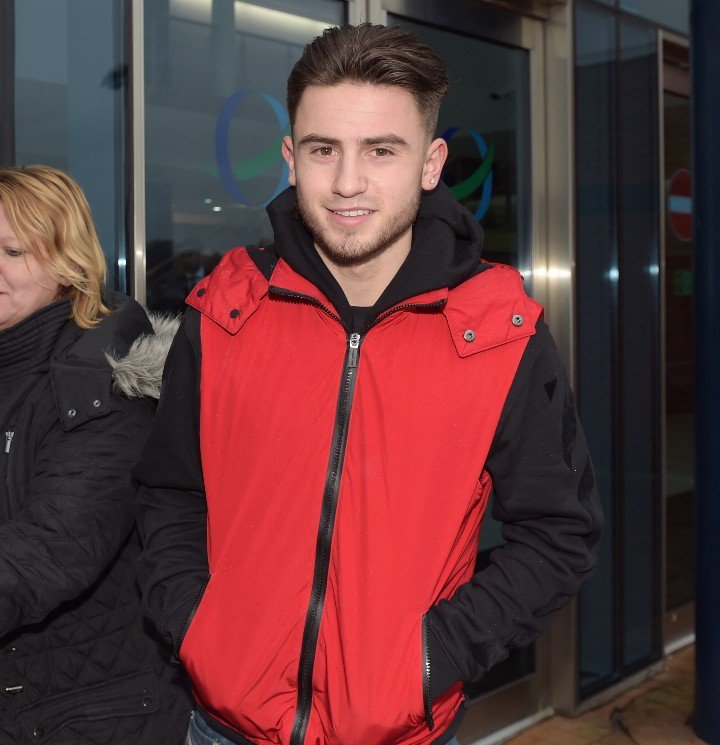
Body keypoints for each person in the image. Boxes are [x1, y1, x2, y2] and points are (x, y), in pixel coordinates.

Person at [135, 23, 603, 745]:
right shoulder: (226, 310)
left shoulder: (498, 330)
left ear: (430, 161)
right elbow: (169, 492)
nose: (347, 182)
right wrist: (199, 626)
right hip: (221, 726)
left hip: (401, 731)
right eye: (325, 150)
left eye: (381, 150)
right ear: (292, 159)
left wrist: (429, 657)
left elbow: (559, 532)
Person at [0, 165, 191, 744]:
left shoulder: (102, 387)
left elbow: (51, 551)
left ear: (67, 265)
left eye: (10, 250)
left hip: (91, 712)